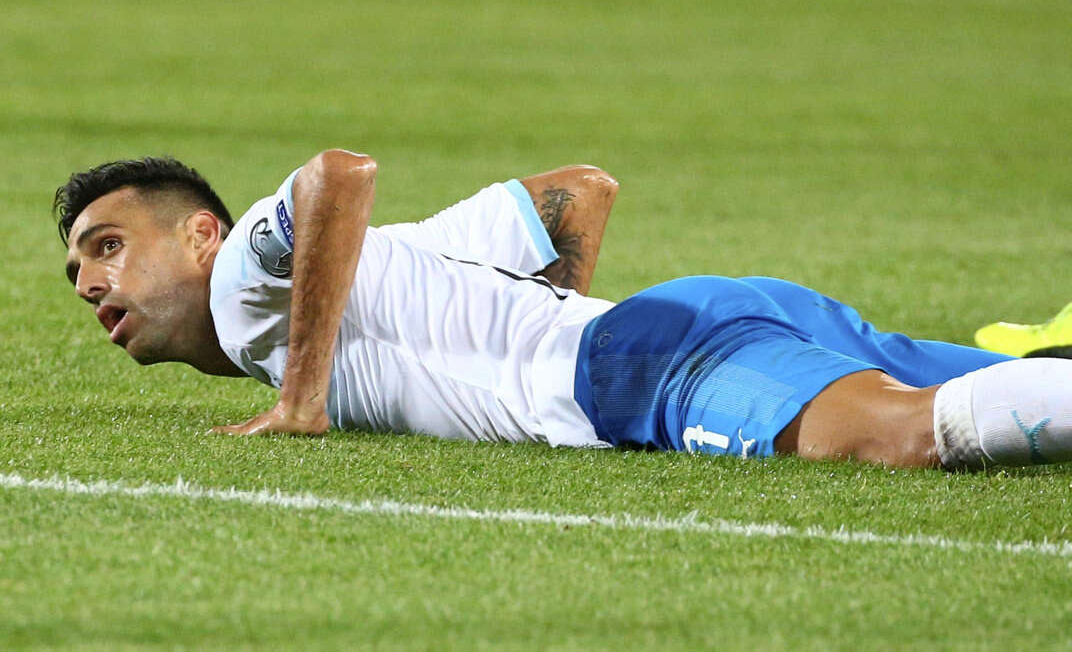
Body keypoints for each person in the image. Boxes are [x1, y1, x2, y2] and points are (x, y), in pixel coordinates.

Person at [56, 149, 1072, 471]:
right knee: (1015, 391)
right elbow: (576, 192)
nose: (92, 282)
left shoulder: (242, 278)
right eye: (76, 272)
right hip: (697, 323)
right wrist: (543, 324)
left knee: (906, 438)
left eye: (108, 245)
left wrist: (302, 398)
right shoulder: (394, 260)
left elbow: (335, 174)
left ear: (202, 234)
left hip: (648, 364)